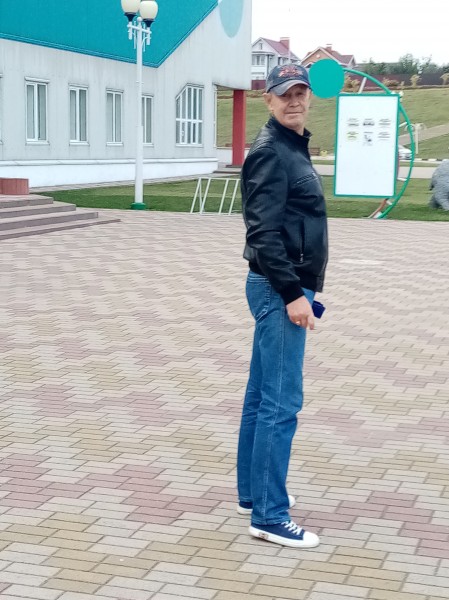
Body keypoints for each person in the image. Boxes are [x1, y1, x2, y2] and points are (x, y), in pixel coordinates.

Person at [236, 64, 328, 549]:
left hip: (282, 286)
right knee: (281, 402)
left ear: (309, 97)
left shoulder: (291, 145)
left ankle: (253, 495)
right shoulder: (272, 151)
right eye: (283, 94)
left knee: (261, 396)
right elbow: (263, 233)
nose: (293, 101)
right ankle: (270, 516)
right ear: (268, 100)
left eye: (300, 92)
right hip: (280, 288)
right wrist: (294, 294)